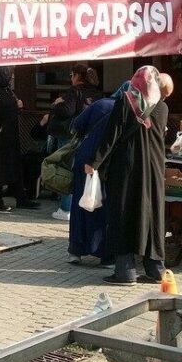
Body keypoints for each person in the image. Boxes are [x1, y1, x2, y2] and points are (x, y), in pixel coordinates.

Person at [84, 66, 167, 286]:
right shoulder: (162, 107)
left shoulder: (126, 102)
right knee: (152, 216)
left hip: (127, 169)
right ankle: (156, 270)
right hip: (154, 170)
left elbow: (111, 135)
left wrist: (94, 162)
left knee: (124, 215)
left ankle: (126, 272)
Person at [67, 91, 117, 267]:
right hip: (105, 163)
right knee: (102, 207)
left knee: (81, 204)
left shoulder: (100, 104)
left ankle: (75, 251)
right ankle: (105, 254)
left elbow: (76, 124)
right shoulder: (124, 109)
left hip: (84, 158)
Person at [48, 64, 102, 221]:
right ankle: (84, 205)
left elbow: (67, 111)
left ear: (78, 76)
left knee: (66, 169)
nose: (71, 78)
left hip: (70, 136)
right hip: (90, 136)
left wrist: (57, 103)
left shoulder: (74, 91)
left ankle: (66, 208)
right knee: (85, 171)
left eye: (71, 75)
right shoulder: (96, 93)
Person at [0, 67, 38, 212]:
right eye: (8, 74)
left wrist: (19, 106)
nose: (11, 77)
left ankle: (20, 198)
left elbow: (11, 108)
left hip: (11, 135)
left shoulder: (7, 89)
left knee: (14, 165)